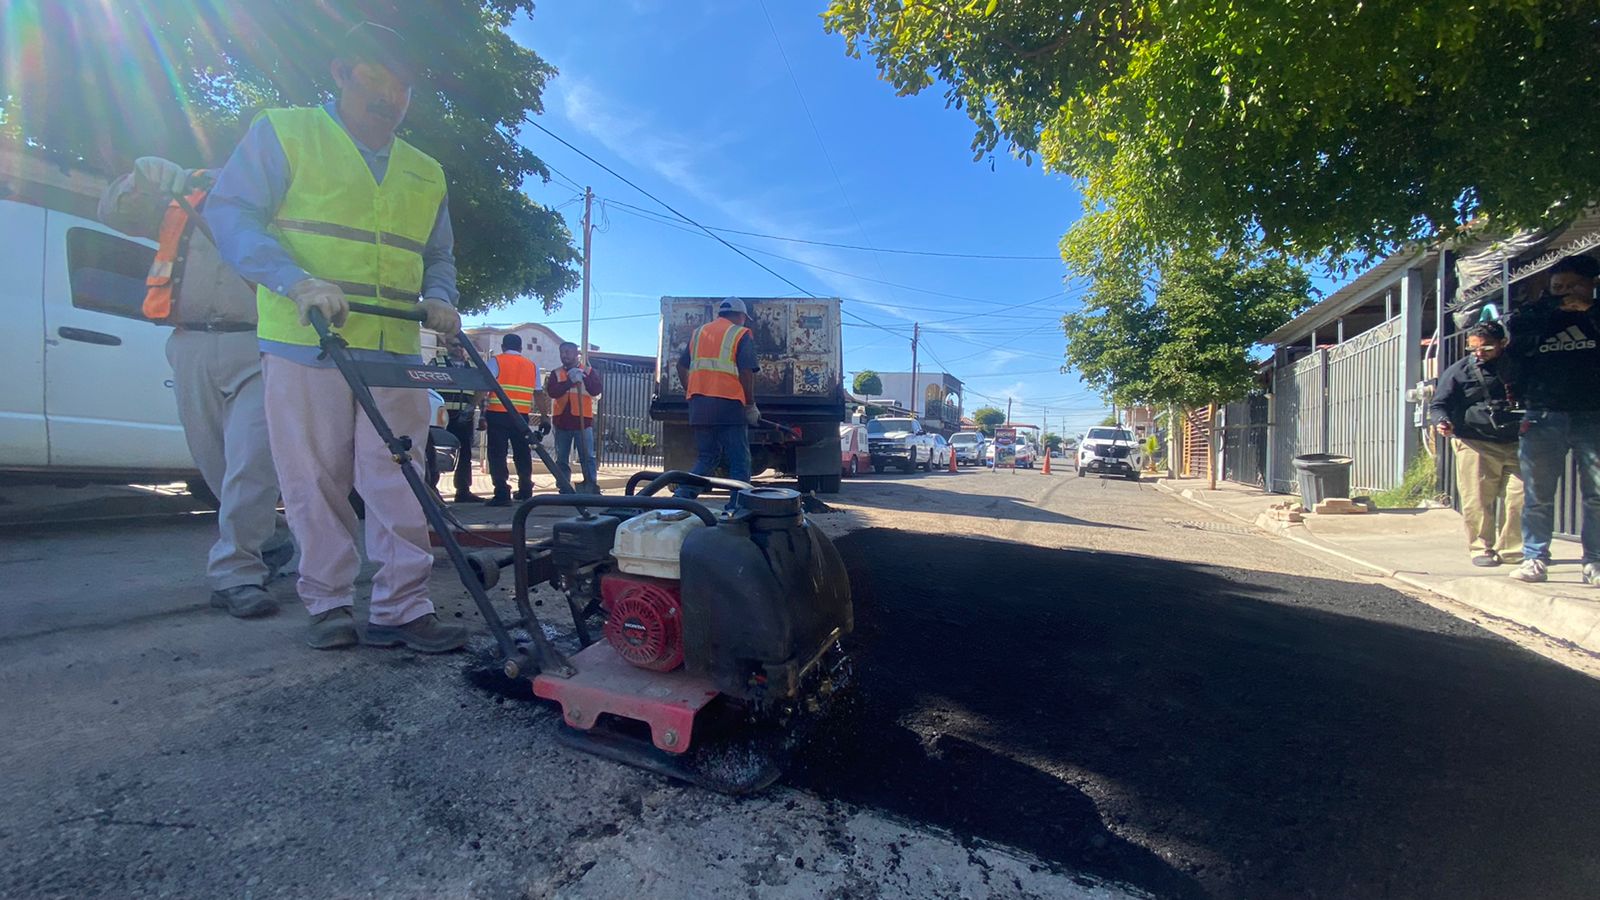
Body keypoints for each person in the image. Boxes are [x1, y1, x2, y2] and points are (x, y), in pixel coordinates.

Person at [206, 21, 469, 651]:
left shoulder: (426, 172)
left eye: (401, 86)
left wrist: (441, 297)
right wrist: (295, 280)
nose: (389, 95)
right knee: (314, 477)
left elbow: (439, 256)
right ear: (341, 73)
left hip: (394, 346)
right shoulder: (285, 132)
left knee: (401, 475)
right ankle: (327, 602)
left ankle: (403, 606)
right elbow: (230, 213)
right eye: (375, 77)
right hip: (306, 338)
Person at [98, 156, 294, 619]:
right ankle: (268, 537)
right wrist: (140, 180)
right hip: (190, 342)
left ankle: (236, 574)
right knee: (213, 461)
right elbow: (114, 216)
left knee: (251, 460)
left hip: (261, 343)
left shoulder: (288, 196)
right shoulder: (188, 187)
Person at [1503, 254, 1600, 585]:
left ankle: (1594, 561)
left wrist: (1589, 311)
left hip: (1593, 413)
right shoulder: (1534, 315)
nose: (1566, 293)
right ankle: (1534, 557)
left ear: (1591, 285)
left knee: (1596, 494)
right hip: (1543, 413)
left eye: (1574, 286)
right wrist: (1550, 312)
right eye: (1558, 287)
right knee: (1538, 493)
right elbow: (1514, 353)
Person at [1430, 321, 1524, 567]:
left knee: (1520, 498)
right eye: (1473, 349)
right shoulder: (1459, 371)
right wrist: (1442, 422)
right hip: (1475, 442)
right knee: (1478, 499)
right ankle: (1481, 548)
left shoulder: (1518, 365)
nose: (1479, 353)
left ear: (1503, 343)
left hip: (1517, 441)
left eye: (1486, 348)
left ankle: (1511, 550)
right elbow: (1438, 404)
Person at [674, 297, 761, 501]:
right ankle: (738, 507)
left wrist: (692, 390)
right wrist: (750, 405)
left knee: (707, 457)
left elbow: (681, 366)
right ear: (739, 315)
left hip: (699, 405)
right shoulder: (740, 333)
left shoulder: (699, 333)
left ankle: (681, 498)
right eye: (744, 318)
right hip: (728, 405)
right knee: (739, 460)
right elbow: (746, 372)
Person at [481, 333, 550, 506]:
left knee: (497, 454)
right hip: (521, 416)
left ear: (503, 346)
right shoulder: (531, 366)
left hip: (497, 414)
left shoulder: (495, 361)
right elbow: (538, 394)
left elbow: (483, 388)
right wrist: (544, 417)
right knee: (522, 452)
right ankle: (525, 490)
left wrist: (479, 412)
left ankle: (502, 493)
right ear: (520, 348)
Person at [544, 341, 603, 494]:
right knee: (561, 458)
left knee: (587, 456)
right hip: (562, 421)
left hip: (583, 421)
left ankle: (590, 484)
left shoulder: (588, 371)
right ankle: (564, 486)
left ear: (576, 354)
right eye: (562, 352)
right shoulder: (556, 373)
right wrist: (569, 382)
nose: (564, 355)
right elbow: (552, 392)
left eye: (568, 352)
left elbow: (596, 390)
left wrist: (583, 378)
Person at [429, 340, 483, 503]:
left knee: (465, 453)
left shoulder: (472, 367)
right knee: (436, 453)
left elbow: (481, 389)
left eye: (461, 345)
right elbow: (427, 388)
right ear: (446, 346)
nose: (459, 348)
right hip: (441, 416)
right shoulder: (437, 363)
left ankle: (463, 491)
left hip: (464, 415)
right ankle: (432, 489)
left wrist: (475, 410)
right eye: (454, 345)